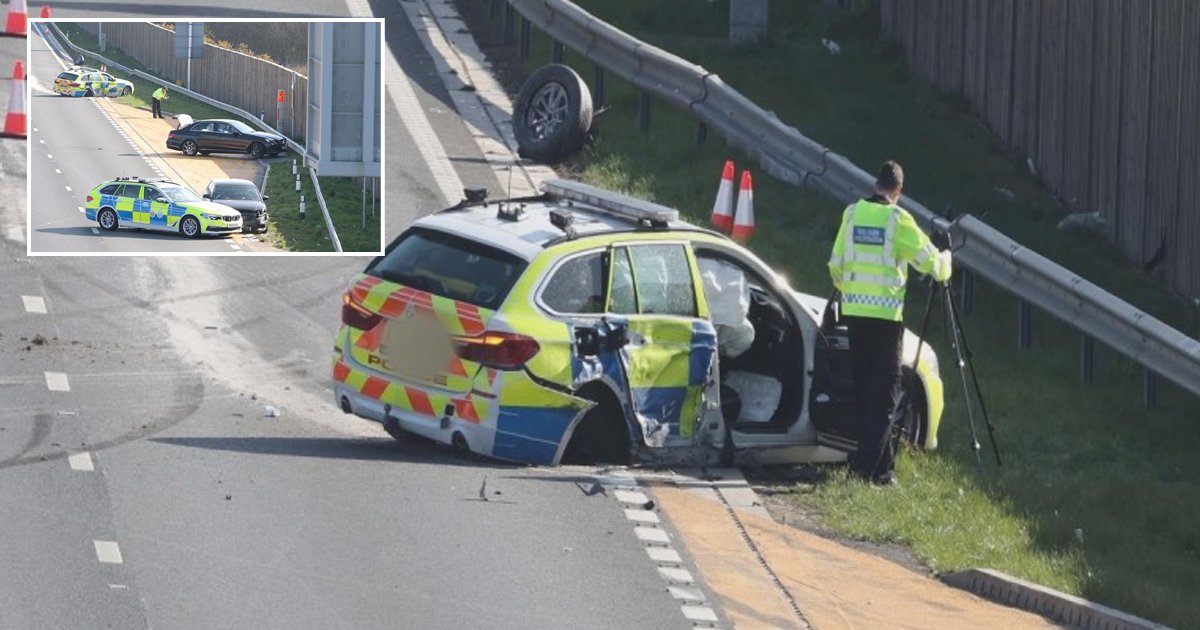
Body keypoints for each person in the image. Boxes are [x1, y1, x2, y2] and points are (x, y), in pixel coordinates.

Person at [827, 160, 952, 485]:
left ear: (875, 185)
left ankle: (882, 470)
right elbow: (931, 265)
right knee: (884, 398)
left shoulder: (852, 214)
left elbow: (836, 267)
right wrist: (947, 259)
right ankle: (864, 469)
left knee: (865, 391)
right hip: (885, 322)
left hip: (855, 317)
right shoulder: (898, 220)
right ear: (898, 191)